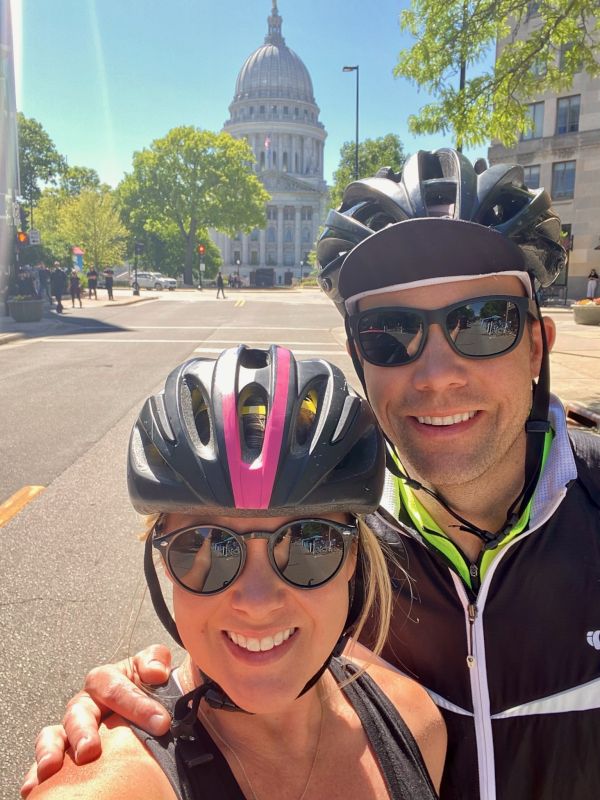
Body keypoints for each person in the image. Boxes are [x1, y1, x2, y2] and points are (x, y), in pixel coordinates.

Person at [24, 149, 600, 800]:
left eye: (484, 321)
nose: (438, 372)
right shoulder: (335, 529)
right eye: (389, 332)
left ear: (537, 344)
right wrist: (135, 709)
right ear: (359, 357)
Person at [23, 345, 445, 800]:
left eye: (308, 543)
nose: (258, 601)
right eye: (206, 545)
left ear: (355, 558)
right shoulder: (105, 789)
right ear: (163, 561)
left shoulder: (419, 724)